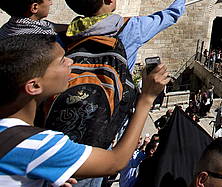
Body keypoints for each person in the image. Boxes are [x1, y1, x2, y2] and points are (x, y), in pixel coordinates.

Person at [0, 34, 168, 186]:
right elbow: (115, 162)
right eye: (61, 60)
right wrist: (147, 98)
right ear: (35, 85)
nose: (70, 62)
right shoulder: (41, 146)